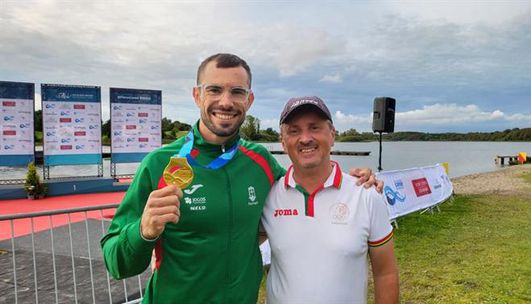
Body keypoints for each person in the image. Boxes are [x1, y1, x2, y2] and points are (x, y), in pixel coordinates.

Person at [101, 53, 381, 304]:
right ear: (197, 96)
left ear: (249, 100)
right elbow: (117, 264)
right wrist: (143, 231)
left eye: (237, 91)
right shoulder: (159, 164)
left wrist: (353, 181)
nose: (226, 101)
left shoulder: (259, 160)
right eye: (214, 89)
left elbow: (306, 185)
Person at [261, 96, 399, 304]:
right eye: (294, 130)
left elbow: (386, 273)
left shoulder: (366, 193)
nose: (305, 138)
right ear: (283, 141)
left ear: (332, 134)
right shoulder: (268, 195)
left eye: (314, 128)